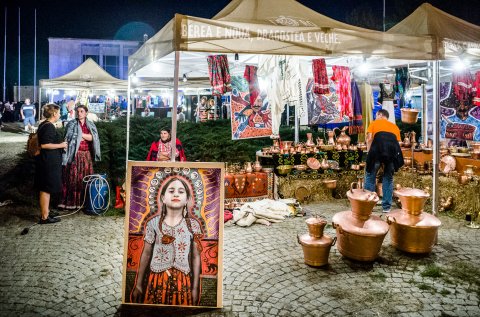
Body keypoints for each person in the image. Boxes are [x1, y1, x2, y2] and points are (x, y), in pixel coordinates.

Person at [131, 177, 203, 305]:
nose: (176, 194)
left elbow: (196, 257)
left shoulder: (193, 225)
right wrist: (139, 285)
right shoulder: (153, 223)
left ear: (187, 199)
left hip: (183, 282)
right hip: (156, 280)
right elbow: (146, 253)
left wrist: (195, 288)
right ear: (163, 198)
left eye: (181, 192)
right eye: (171, 191)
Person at [59, 105, 101, 210]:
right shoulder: (71, 124)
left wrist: (80, 134)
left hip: (86, 155)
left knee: (85, 179)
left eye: (82, 111)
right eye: (78, 111)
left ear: (86, 113)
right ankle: (72, 203)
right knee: (73, 179)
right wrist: (84, 136)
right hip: (75, 154)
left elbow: (93, 138)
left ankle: (84, 202)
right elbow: (68, 138)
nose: (79, 113)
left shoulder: (90, 125)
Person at [364, 109, 403, 213]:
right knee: (388, 178)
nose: (375, 117)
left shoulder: (374, 123)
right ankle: (387, 207)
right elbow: (398, 143)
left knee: (370, 177)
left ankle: (368, 206)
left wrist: (369, 153)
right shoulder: (395, 127)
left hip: (376, 152)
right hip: (391, 155)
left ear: (380, 115)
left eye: (376, 115)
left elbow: (369, 139)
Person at [34, 104, 68, 224]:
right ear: (54, 114)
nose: (59, 114)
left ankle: (46, 212)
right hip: (48, 162)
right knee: (46, 188)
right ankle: (44, 217)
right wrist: (61, 145)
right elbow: (45, 145)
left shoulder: (44, 124)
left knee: (45, 188)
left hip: (46, 161)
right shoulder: (49, 126)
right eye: (58, 112)